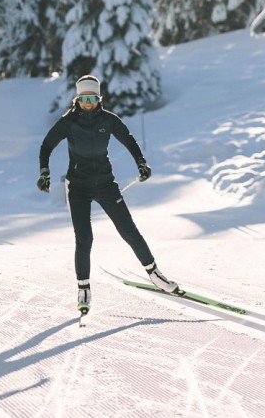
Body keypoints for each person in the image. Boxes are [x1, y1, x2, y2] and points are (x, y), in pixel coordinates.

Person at [38, 75, 178, 316]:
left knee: (129, 231)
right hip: (78, 187)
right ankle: (83, 289)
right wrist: (44, 173)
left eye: (92, 98)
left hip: (105, 184)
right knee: (85, 239)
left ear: (99, 98)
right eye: (84, 98)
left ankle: (155, 274)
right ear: (77, 99)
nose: (88, 102)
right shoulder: (68, 122)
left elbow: (130, 141)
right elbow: (46, 146)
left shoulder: (108, 120)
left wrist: (141, 163)